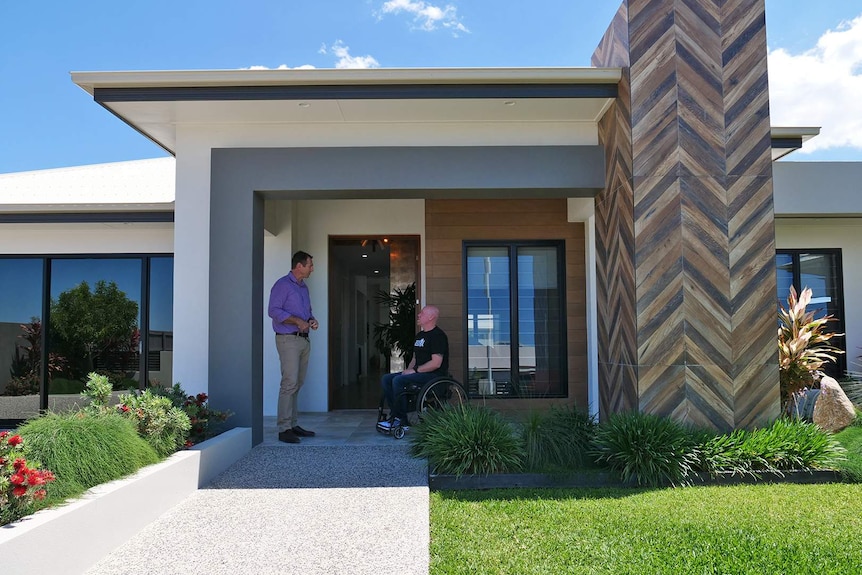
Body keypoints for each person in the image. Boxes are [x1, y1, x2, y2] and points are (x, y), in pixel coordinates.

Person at [268, 251, 319, 444]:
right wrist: (297, 321)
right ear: (299, 266)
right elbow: (273, 310)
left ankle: (293, 424)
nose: (312, 268)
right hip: (288, 339)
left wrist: (311, 320)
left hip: (304, 340)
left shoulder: (303, 288)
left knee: (297, 383)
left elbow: (308, 312)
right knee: (289, 383)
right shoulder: (282, 285)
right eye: (310, 265)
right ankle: (283, 428)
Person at [377, 305, 449, 433]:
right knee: (387, 379)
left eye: (422, 313)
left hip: (434, 376)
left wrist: (414, 371)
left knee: (398, 381)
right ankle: (395, 415)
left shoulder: (438, 336)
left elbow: (436, 363)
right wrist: (407, 371)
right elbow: (415, 359)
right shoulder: (420, 335)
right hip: (419, 373)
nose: (419, 315)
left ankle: (401, 420)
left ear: (431, 317)